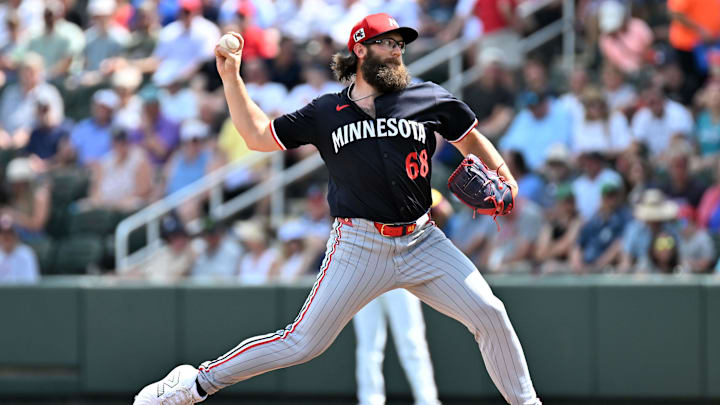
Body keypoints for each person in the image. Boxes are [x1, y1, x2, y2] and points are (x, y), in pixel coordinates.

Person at [133, 13, 541, 405]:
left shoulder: (427, 97)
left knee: (490, 313)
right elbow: (258, 136)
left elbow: (470, 138)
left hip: (422, 240)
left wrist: (505, 175)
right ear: (360, 50)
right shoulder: (326, 111)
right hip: (359, 246)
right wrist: (231, 79)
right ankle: (196, 383)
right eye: (388, 44)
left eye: (400, 45)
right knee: (302, 342)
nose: (397, 52)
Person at [352, 288, 441, 405]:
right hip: (364, 280)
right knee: (368, 347)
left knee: (412, 342)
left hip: (401, 280)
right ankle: (369, 401)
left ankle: (427, 401)